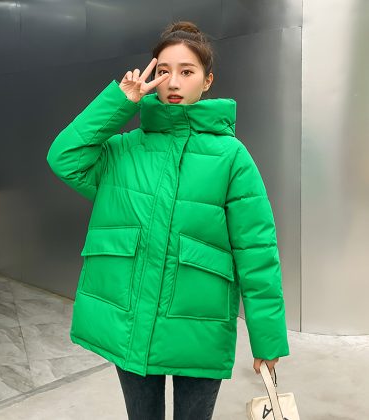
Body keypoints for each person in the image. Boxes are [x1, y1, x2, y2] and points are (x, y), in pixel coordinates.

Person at [47, 20, 290, 420]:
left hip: (199, 327)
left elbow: (257, 251)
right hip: (131, 327)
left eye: (187, 71)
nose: (173, 82)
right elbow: (64, 158)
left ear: (207, 81)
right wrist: (120, 102)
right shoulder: (124, 150)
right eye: (163, 71)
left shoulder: (232, 157)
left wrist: (268, 339)